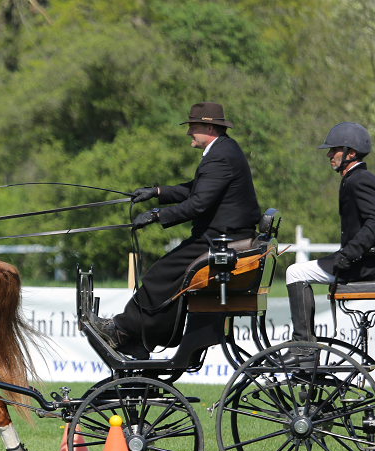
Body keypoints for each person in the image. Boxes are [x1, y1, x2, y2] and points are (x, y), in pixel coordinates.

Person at [88, 102, 262, 357]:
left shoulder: (220, 156)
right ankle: (139, 333)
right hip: (220, 234)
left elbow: (199, 204)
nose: (189, 132)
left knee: (159, 276)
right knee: (166, 277)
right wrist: (157, 193)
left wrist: (158, 215)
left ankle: (123, 330)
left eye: (193, 126)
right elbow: (195, 188)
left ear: (209, 126)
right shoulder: (223, 150)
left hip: (220, 238)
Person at [282, 122, 375, 364]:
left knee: (295, 272)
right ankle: (305, 350)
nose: (328, 155)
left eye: (333, 150)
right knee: (298, 271)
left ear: (350, 153)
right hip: (366, 260)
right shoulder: (355, 178)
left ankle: (303, 346)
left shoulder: (359, 180)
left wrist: (349, 254)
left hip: (365, 265)